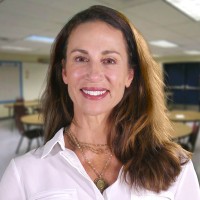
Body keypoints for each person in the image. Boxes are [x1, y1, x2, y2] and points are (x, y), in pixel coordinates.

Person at [0, 5, 199, 200]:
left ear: (130, 75)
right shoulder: (23, 173)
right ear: (64, 72)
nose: (94, 74)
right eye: (80, 58)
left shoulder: (176, 166)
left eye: (109, 60)